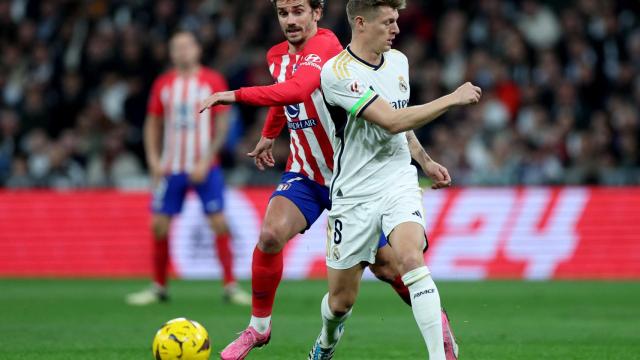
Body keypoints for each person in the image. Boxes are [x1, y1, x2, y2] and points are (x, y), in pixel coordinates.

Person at [199, 1, 457, 359]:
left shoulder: (327, 48)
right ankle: (258, 328)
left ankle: (436, 322)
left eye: (298, 11)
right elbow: (283, 91)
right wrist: (270, 134)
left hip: (355, 180)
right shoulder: (276, 55)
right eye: (283, 13)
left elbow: (303, 90)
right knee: (270, 234)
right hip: (305, 171)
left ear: (317, 13)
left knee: (388, 268)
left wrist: (235, 94)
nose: (290, 20)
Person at [308, 0, 481, 359]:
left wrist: (425, 160)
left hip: (398, 180)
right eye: (388, 22)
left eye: (396, 20)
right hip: (353, 193)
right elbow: (390, 121)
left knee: (410, 258)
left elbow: (403, 122)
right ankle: (325, 342)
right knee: (340, 301)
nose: (396, 29)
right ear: (360, 23)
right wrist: (452, 98)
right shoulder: (337, 72)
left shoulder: (399, 62)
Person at [125, 31, 250, 306]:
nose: (181, 51)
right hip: (172, 167)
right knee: (158, 225)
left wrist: (207, 159)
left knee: (218, 222)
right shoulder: (164, 84)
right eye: (176, 47)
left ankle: (230, 286)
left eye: (186, 46)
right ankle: (158, 287)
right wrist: (153, 159)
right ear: (171, 53)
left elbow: (222, 124)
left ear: (197, 50)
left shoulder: (212, 81)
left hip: (206, 166)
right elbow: (153, 122)